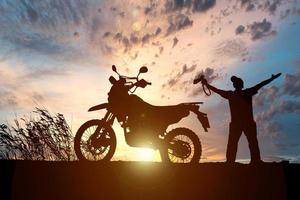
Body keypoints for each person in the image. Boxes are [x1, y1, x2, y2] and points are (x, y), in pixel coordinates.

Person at [201, 73, 281, 164]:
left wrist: (272, 79)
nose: (235, 84)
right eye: (235, 83)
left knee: (246, 143)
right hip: (242, 124)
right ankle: (240, 161)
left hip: (241, 124)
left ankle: (239, 161)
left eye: (236, 82)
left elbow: (261, 84)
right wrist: (207, 85)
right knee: (244, 143)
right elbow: (261, 84)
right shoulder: (243, 93)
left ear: (239, 84)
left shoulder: (235, 94)